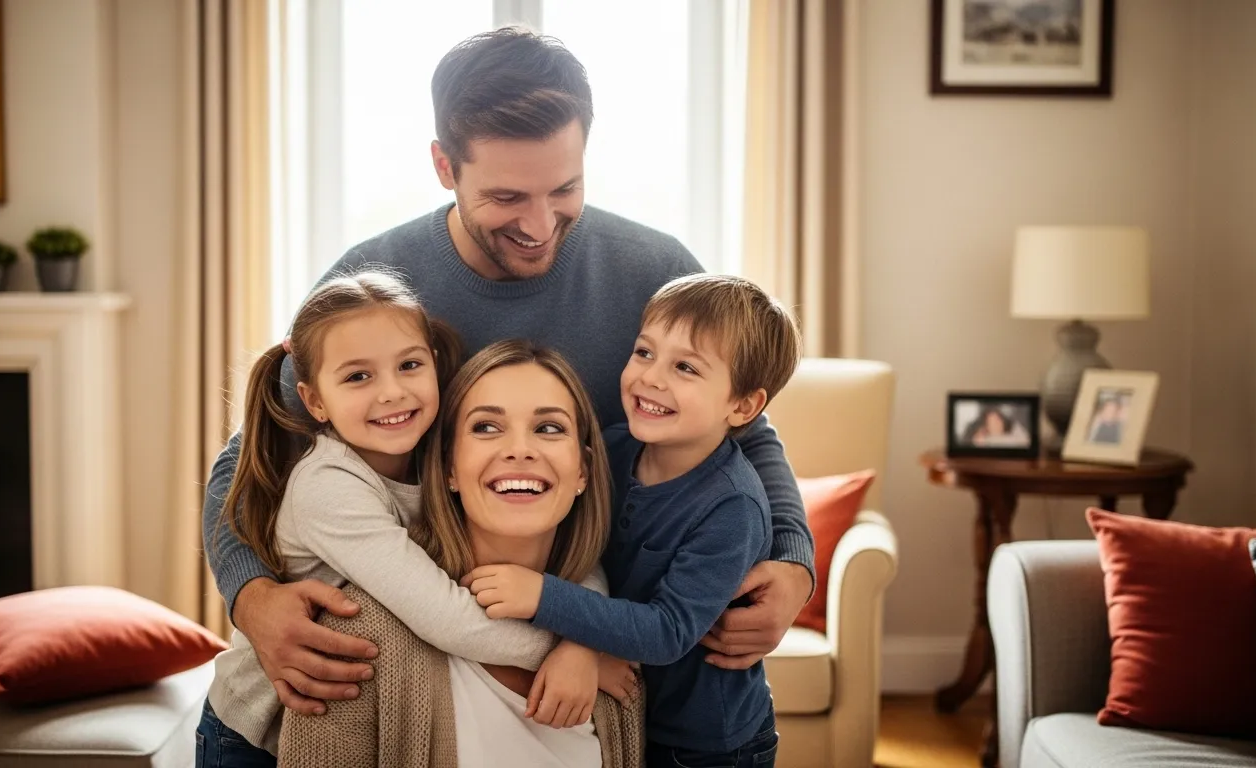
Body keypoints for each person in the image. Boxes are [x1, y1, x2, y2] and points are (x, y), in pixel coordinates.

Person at [201, 26, 815, 720]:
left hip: (585, 666)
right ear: (443, 165)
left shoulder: (655, 271)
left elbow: (748, 436)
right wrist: (250, 595)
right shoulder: (374, 286)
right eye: (506, 198)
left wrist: (796, 562)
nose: (541, 223)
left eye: (565, 188)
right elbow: (248, 460)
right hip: (412, 677)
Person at [197, 273, 617, 764]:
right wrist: (579, 649)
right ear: (314, 401)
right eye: (358, 376)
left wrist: (587, 636)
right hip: (257, 729)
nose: (392, 393)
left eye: (409, 365)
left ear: (434, 366)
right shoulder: (327, 488)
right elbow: (450, 620)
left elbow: (578, 555)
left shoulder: (432, 452)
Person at [463, 275, 800, 767]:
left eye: (685, 367)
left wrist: (541, 596)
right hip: (633, 713)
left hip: (708, 743)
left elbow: (667, 632)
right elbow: (586, 550)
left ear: (742, 405)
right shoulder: (615, 448)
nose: (651, 378)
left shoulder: (733, 509)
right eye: (644, 353)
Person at [278, 341, 644, 768]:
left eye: (548, 428)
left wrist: (586, 637)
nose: (520, 450)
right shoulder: (360, 639)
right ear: (449, 467)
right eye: (487, 427)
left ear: (582, 471)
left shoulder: (617, 647)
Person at [962, 405, 1030, 448]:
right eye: (993, 422)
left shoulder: (1016, 432)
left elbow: (1025, 441)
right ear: (986, 428)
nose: (998, 423)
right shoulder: (983, 442)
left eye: (998, 419)